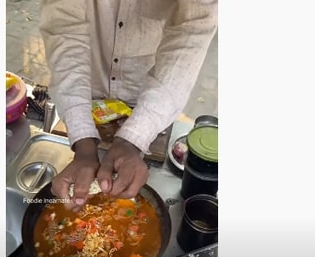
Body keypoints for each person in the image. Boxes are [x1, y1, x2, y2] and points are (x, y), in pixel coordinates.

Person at [39, 0, 218, 211]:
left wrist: (134, 138)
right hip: (86, 82)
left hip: (150, 90)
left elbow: (191, 30)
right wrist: (83, 143)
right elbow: (64, 27)